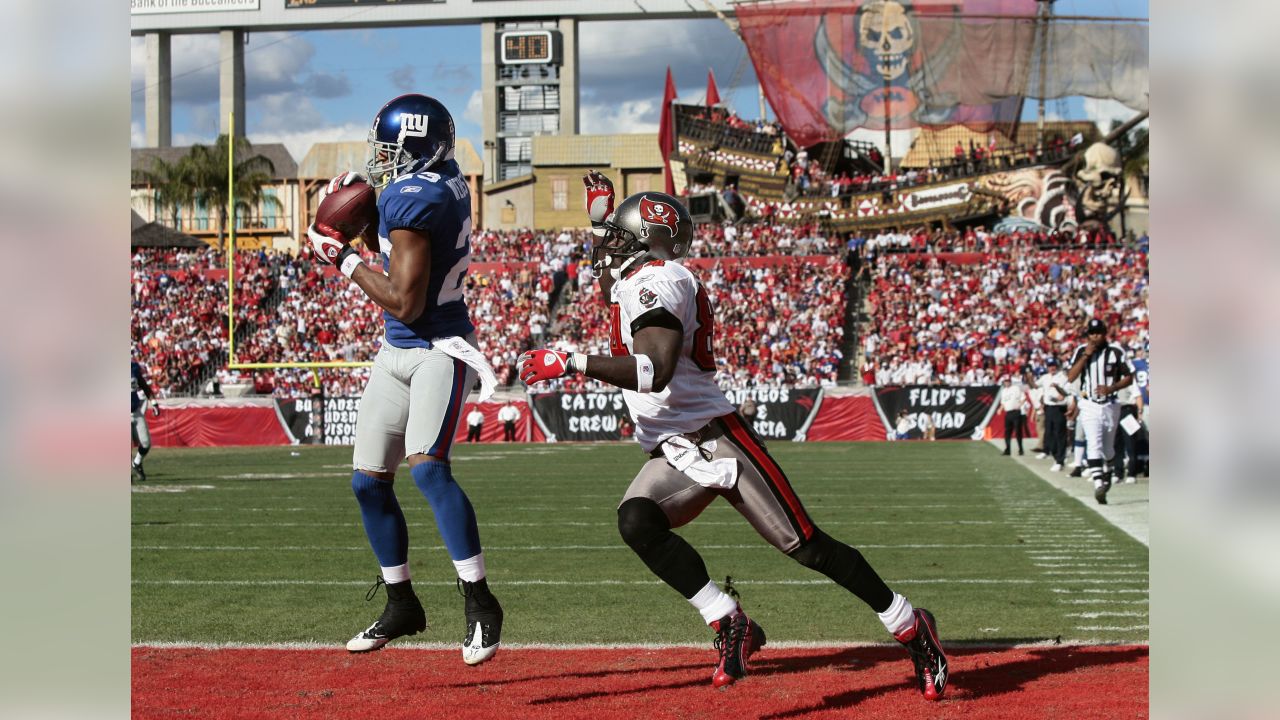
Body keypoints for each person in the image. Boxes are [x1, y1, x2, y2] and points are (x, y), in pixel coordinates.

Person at [516, 173, 948, 699]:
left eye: (619, 237)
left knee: (806, 545)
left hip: (720, 439)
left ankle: (909, 625)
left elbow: (653, 370)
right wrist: (601, 221)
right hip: (675, 449)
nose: (607, 248)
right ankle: (727, 619)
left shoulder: (660, 280)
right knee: (637, 521)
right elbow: (612, 279)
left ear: (646, 242)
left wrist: (571, 360)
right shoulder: (638, 280)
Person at [306, 93, 503, 664]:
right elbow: (399, 254)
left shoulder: (415, 196)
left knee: (428, 469)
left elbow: (405, 301)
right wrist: (369, 233)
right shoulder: (439, 180)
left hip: (437, 348)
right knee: (368, 482)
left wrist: (340, 257)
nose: (381, 161)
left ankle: (480, 603)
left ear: (417, 149)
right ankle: (402, 603)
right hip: (397, 351)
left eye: (390, 151)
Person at [1066, 318, 1135, 504]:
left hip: (1110, 404)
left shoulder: (1115, 351)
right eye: (1092, 333)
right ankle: (1099, 485)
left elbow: (1129, 377)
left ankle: (1108, 472)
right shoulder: (1081, 351)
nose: (1095, 337)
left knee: (1108, 448)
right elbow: (1071, 376)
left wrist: (1112, 388)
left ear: (1105, 333)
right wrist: (1085, 356)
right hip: (1089, 404)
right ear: (1088, 335)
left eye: (1098, 333)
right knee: (1093, 443)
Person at [1038, 358, 1071, 471]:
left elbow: (1065, 393)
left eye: (1053, 365)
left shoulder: (1062, 377)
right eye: (1049, 365)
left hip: (1059, 407)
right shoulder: (1045, 377)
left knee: (1060, 434)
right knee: (1049, 434)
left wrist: (1058, 389)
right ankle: (1057, 455)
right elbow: (1035, 386)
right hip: (1048, 407)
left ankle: (1060, 460)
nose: (1052, 368)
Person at [131, 357, 161, 482]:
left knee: (146, 443)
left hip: (136, 411)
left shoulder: (134, 367)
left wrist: (154, 402)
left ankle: (137, 463)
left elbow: (143, 385)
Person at [999, 376, 1026, 456]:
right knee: (1007, 432)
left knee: (1018, 431)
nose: (1007, 382)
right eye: (1005, 381)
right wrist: (1000, 409)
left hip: (1016, 412)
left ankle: (1020, 449)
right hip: (1008, 413)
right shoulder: (1003, 391)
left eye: (1008, 381)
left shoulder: (1016, 388)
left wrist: (1019, 405)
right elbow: (1003, 402)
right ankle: (1008, 449)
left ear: (1010, 381)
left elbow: (1023, 397)